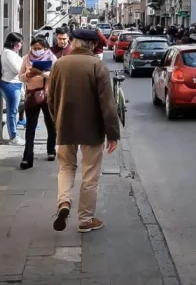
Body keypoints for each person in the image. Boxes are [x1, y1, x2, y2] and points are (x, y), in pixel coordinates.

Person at [49, 29, 121, 233]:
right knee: (90, 174)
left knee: (66, 167)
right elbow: (108, 104)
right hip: (92, 128)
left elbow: (50, 98)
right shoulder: (97, 65)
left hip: (65, 126)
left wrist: (57, 120)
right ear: (92, 46)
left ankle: (64, 203)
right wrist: (113, 134)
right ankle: (85, 219)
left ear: (74, 43)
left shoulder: (59, 64)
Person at [19, 36, 58, 169]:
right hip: (32, 95)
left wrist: (41, 73)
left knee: (50, 124)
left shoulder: (52, 58)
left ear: (45, 48)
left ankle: (51, 150)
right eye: (34, 48)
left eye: (39, 48)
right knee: (30, 126)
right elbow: (20, 77)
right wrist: (28, 75)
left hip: (48, 96)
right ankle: (27, 157)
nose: (36, 51)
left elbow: (56, 75)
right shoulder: (27, 58)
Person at [0, 32, 25, 146]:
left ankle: (14, 136)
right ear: (13, 43)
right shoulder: (8, 53)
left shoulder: (12, 53)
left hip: (15, 84)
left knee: (13, 111)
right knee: (12, 112)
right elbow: (18, 70)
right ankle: (13, 137)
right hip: (10, 84)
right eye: (19, 42)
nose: (20, 45)